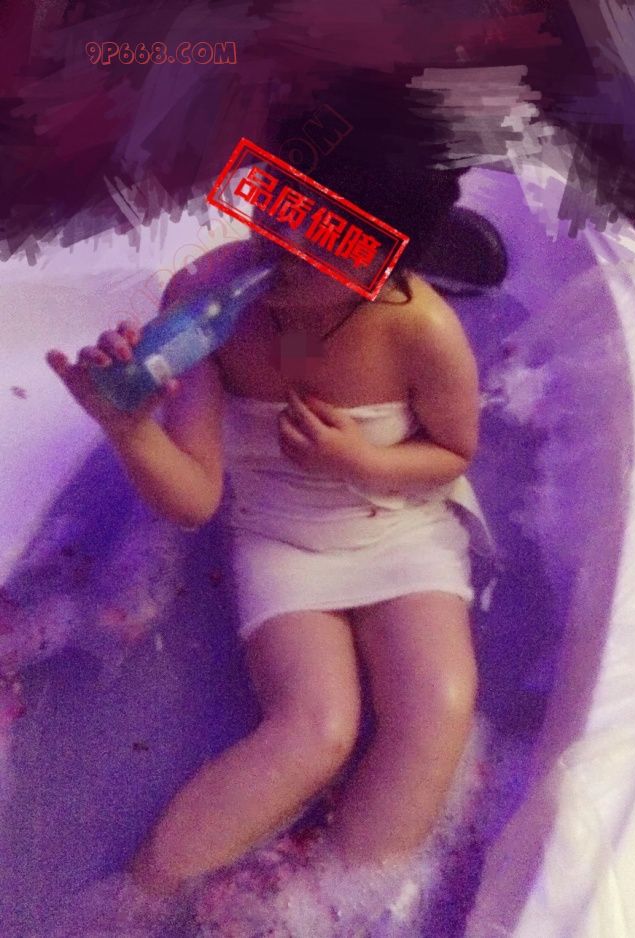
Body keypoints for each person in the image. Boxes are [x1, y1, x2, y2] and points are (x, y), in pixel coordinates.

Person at [44, 132, 491, 923]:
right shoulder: (207, 300)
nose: (279, 248)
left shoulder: (421, 329)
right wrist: (130, 429)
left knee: (439, 706)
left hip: (400, 528)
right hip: (279, 539)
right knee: (315, 730)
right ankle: (131, 902)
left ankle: (332, 908)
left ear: (383, 265)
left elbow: (452, 454)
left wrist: (363, 461)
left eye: (322, 241)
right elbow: (195, 497)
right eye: (274, 214)